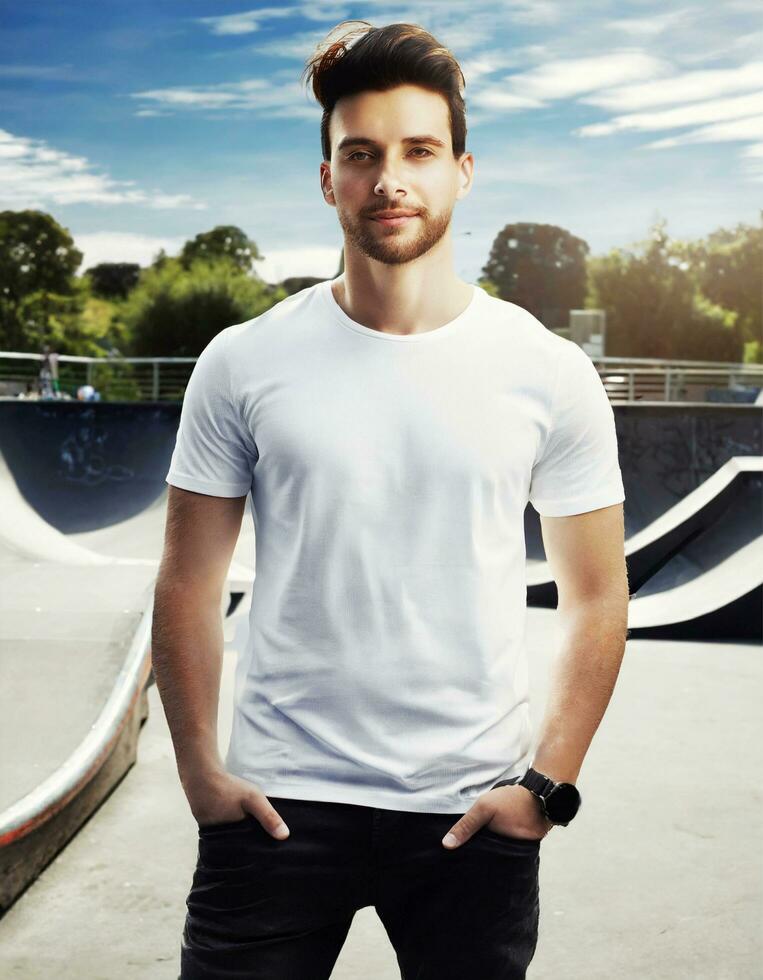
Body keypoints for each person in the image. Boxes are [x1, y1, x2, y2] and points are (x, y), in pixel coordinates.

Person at [152, 19, 629, 980]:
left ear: (462, 169)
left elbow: (596, 596)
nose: (388, 179)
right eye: (359, 155)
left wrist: (546, 785)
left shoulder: (547, 371)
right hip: (277, 809)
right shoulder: (243, 362)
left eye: (417, 151)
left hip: (471, 812)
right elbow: (188, 581)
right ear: (328, 178)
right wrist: (201, 769)